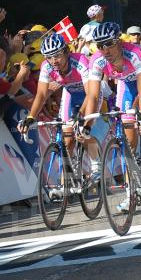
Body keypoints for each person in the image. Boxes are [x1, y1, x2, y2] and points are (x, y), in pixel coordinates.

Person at [82, 22, 141, 213]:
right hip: (125, 84)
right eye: (100, 45)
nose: (105, 50)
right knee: (129, 144)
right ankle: (132, 193)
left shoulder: (135, 53)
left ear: (120, 42)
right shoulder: (97, 60)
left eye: (109, 44)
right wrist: (87, 123)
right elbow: (93, 95)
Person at [18, 33, 100, 178]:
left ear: (67, 52)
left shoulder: (80, 61)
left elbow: (90, 94)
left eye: (57, 55)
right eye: (49, 57)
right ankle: (69, 180)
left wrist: (80, 113)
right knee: (67, 139)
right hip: (71, 94)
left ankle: (96, 163)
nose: (53, 60)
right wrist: (31, 116)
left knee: (82, 132)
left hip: (90, 94)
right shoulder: (46, 67)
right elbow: (41, 94)